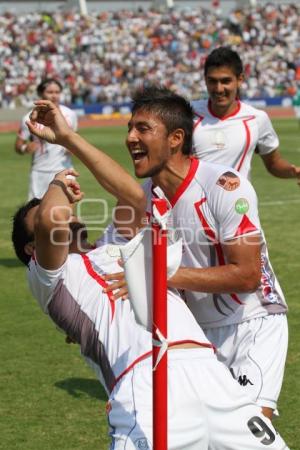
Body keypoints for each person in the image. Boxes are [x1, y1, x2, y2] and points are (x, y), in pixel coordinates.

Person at [11, 102, 289, 449]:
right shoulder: (50, 277)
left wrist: (68, 138)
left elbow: (131, 193)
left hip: (210, 369)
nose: (66, 212)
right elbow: (51, 219)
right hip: (144, 381)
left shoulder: (116, 243)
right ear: (31, 250)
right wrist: (58, 181)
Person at [122, 85, 288, 421]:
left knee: (248, 432)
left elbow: (247, 275)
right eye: (130, 128)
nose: (130, 138)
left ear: (175, 138)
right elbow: (113, 258)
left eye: (143, 128)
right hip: (195, 332)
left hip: (251, 323)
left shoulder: (225, 185)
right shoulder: (142, 197)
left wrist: (160, 276)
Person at [192, 47, 300, 184]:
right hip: (195, 204)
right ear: (205, 80)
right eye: (212, 81)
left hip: (240, 204)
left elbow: (273, 163)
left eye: (226, 81)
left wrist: (294, 171)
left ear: (240, 79)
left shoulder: (257, 119)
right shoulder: (187, 113)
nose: (218, 89)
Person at [15, 78, 78, 199]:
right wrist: (24, 148)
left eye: (57, 92)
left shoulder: (70, 114)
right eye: (50, 92)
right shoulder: (28, 118)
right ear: (41, 94)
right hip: (40, 171)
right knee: (35, 213)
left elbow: (74, 138)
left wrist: (73, 148)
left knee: (66, 211)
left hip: (65, 170)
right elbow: (18, 145)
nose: (54, 95)